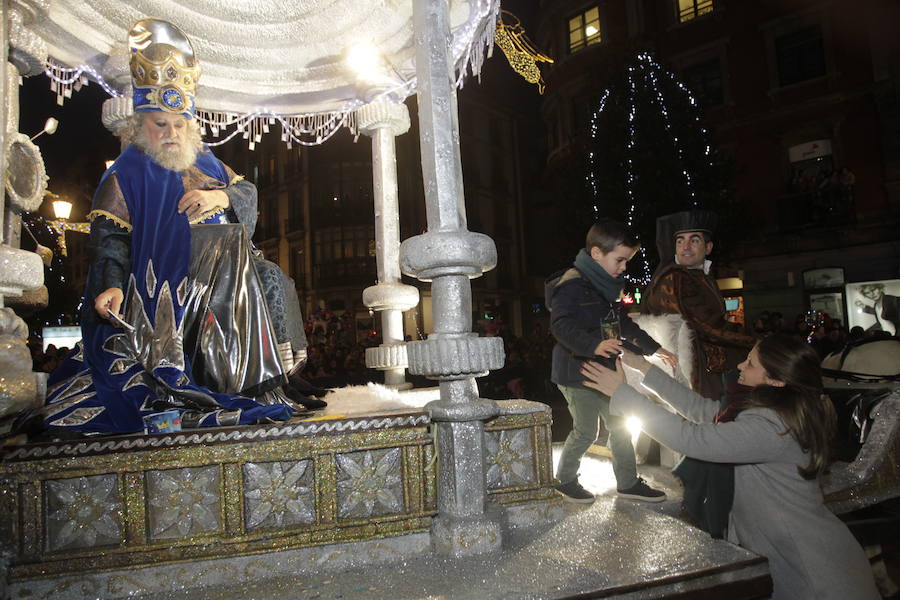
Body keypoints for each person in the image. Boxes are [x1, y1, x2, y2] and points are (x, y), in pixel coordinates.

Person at [42, 19, 319, 435]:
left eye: (179, 123)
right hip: (171, 276)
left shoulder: (206, 161)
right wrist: (111, 284)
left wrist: (221, 198)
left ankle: (275, 383)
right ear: (142, 126)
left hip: (231, 262)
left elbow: (247, 192)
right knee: (228, 247)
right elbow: (110, 239)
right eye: (161, 124)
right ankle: (246, 384)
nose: (172, 132)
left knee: (273, 278)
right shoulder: (124, 173)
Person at [581, 335, 880, 600]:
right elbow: (701, 410)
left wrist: (622, 394)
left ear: (776, 381)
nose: (739, 366)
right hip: (796, 554)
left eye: (750, 364)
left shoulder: (772, 427)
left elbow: (692, 439)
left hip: (814, 570)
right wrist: (643, 368)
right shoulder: (768, 411)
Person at [548, 219, 677, 503]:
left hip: (606, 371)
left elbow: (623, 324)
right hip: (577, 372)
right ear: (597, 253)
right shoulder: (571, 284)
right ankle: (565, 480)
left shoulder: (608, 286)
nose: (624, 267)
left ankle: (628, 483)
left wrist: (653, 348)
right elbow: (560, 326)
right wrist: (594, 345)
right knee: (586, 430)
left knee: (619, 425)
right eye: (620, 260)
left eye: (627, 261)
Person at [642, 209, 756, 402]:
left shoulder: (699, 275)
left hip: (706, 364)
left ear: (708, 247)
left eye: (694, 240)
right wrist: (755, 340)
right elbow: (708, 325)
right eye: (680, 241)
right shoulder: (677, 278)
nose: (685, 247)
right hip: (691, 370)